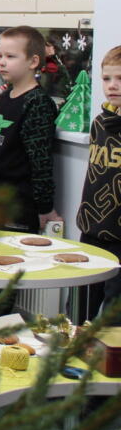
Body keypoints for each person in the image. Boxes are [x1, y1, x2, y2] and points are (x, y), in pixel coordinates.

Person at [0, 25, 61, 232]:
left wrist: (45, 207)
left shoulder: (37, 103)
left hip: (19, 205)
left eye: (10, 56)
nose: (1, 62)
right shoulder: (4, 97)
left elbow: (41, 162)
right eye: (0, 55)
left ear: (33, 62)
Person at [78, 45, 121, 323]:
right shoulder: (100, 123)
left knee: (113, 318)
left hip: (119, 236)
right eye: (106, 78)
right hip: (93, 229)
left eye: (120, 79)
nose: (112, 85)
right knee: (80, 307)